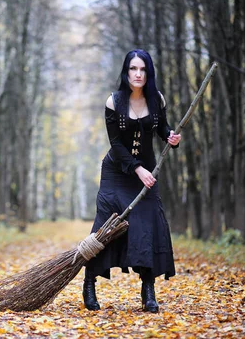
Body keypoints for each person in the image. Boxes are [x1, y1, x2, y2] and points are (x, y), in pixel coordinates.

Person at [83, 49, 181, 313]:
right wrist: (138, 170)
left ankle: (148, 291)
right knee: (106, 227)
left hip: (146, 174)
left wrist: (170, 136)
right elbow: (116, 144)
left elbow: (162, 128)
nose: (138, 74)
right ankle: (89, 281)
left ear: (148, 73)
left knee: (147, 225)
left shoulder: (156, 99)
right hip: (117, 174)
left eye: (142, 70)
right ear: (126, 72)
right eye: (133, 69)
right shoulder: (114, 102)